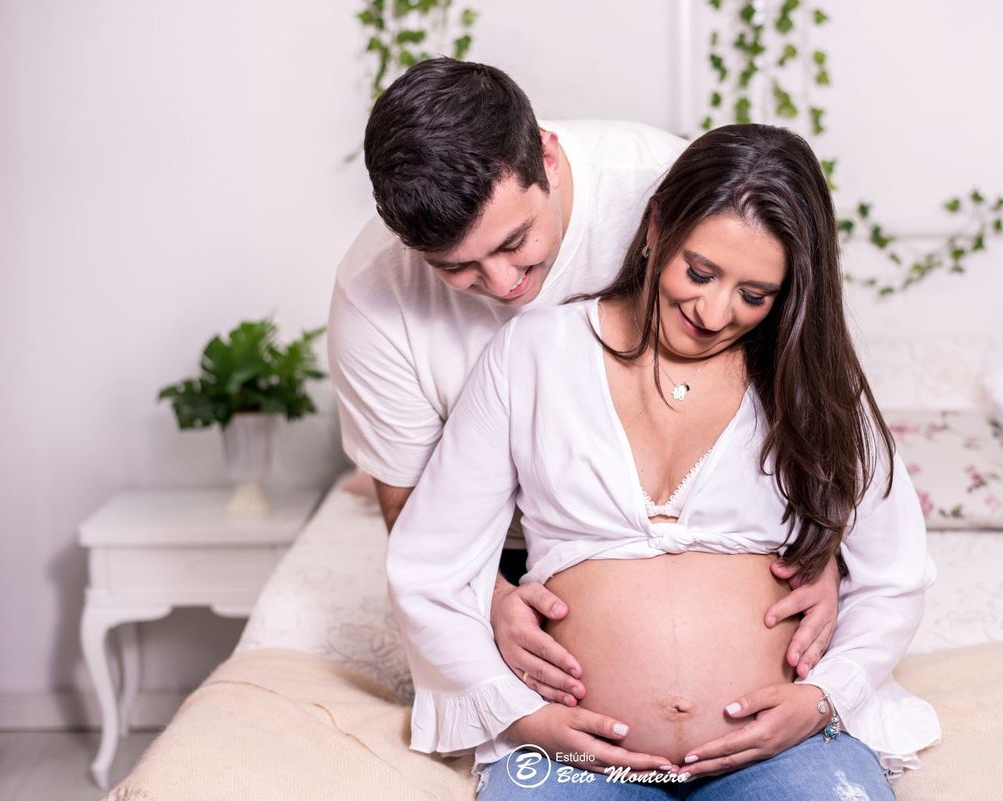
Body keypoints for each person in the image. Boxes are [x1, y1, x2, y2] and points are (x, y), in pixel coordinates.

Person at [386, 124, 940, 801]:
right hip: (573, 759)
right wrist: (520, 712)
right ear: (657, 227)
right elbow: (428, 563)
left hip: (785, 751)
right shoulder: (532, 356)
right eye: (700, 272)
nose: (713, 311)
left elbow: (895, 574)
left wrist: (823, 698)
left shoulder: (809, 379)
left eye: (754, 294)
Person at [327, 56, 843, 729]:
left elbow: (800, 356)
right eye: (457, 267)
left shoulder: (666, 187)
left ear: (546, 152)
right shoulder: (373, 299)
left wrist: (827, 551)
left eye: (515, 241)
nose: (505, 281)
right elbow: (414, 518)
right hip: (500, 545)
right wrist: (489, 597)